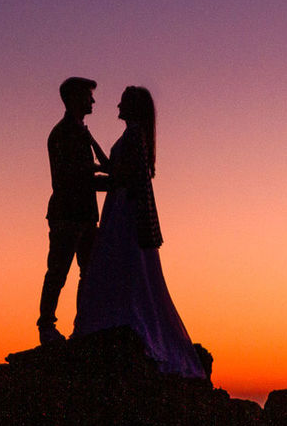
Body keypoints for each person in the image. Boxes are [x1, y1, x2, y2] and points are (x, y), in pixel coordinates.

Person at [73, 86, 204, 378]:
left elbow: (121, 176)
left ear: (132, 106)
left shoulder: (133, 136)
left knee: (119, 264)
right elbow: (117, 170)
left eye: (123, 101)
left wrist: (89, 178)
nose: (117, 105)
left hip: (124, 209)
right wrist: (94, 152)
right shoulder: (135, 135)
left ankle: (121, 323)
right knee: (125, 267)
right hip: (122, 205)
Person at [38, 76, 110, 345]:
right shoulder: (65, 134)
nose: (93, 101)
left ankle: (81, 326)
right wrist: (115, 182)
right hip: (68, 215)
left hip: (84, 215)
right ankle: (47, 327)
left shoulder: (78, 132)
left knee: (86, 273)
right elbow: (72, 179)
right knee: (58, 272)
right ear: (75, 99)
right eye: (88, 96)